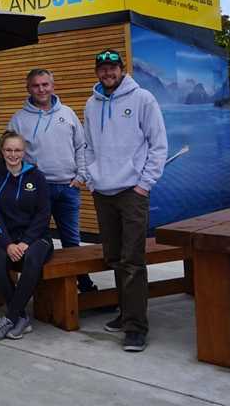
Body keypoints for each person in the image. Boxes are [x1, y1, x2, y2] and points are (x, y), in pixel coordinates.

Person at [84, 49, 167, 353]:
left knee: (133, 261)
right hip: (103, 193)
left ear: (122, 69)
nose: (108, 73)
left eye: (112, 68)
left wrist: (144, 185)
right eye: (102, 69)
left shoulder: (142, 99)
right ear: (97, 72)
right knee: (116, 258)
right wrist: (92, 178)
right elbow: (88, 146)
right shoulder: (91, 105)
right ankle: (125, 314)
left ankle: (136, 328)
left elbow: (159, 144)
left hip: (132, 192)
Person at [7, 68, 96, 294]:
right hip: (37, 191)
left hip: (68, 188)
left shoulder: (67, 113)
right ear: (28, 88)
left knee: (72, 242)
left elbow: (81, 146)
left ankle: (84, 285)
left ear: (53, 86)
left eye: (45, 84)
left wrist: (81, 176)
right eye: (36, 85)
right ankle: (43, 288)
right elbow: (12, 154)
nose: (41, 89)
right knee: (37, 241)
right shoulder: (18, 119)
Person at [0, 131, 52, 341]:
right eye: (8, 150)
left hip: (37, 238)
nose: (13, 154)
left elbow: (44, 214)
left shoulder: (37, 177)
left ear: (24, 152)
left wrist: (24, 242)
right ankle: (21, 317)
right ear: (2, 151)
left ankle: (11, 316)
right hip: (7, 238)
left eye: (17, 150)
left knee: (32, 259)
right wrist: (8, 244)